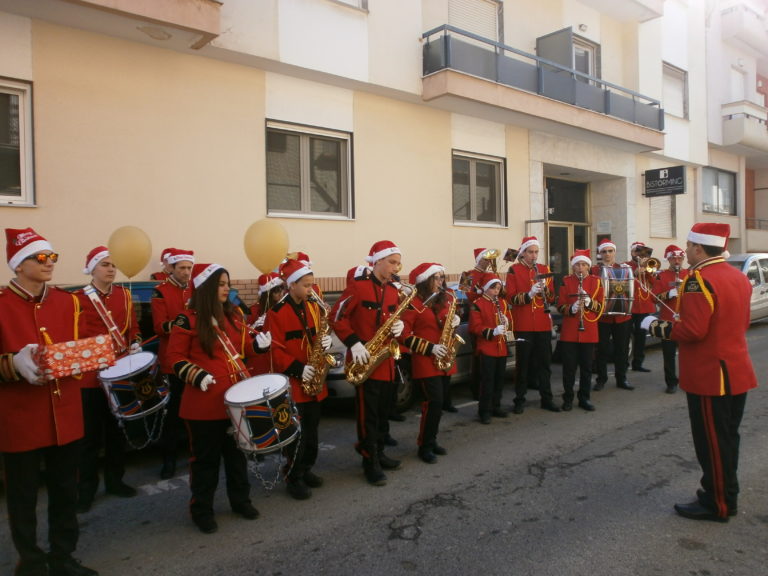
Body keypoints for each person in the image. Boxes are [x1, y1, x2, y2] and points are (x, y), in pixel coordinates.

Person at [0, 228, 98, 576]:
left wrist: (92, 355)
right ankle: (30, 561)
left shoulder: (69, 302)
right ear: (18, 265)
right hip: (21, 418)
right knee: (23, 498)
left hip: (66, 412)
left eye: (52, 257)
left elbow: (83, 345)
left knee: (64, 492)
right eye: (40, 258)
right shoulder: (1, 305)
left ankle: (62, 556)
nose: (49, 263)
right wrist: (11, 364)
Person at [643, 223, 757, 522]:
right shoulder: (737, 276)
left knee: (712, 444)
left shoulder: (699, 280)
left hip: (711, 375)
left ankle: (718, 504)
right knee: (727, 438)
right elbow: (736, 322)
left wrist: (654, 326)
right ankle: (721, 493)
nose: (687, 251)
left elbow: (693, 330)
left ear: (698, 248)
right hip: (736, 370)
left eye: (689, 245)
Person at [166, 263, 270, 534]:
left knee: (237, 457)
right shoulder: (187, 319)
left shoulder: (233, 316)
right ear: (207, 287)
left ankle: (241, 501)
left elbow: (243, 348)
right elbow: (174, 357)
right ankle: (202, 510)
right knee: (205, 462)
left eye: (227, 283)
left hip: (236, 400)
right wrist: (195, 374)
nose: (227, 289)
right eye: (221, 284)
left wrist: (258, 346)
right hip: (203, 406)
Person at [330, 240, 405, 486]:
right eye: (392, 262)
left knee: (384, 412)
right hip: (364, 360)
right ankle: (368, 460)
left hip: (386, 361)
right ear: (378, 261)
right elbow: (337, 317)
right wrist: (353, 343)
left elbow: (393, 319)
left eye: (397, 262)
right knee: (368, 415)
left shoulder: (394, 290)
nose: (396, 267)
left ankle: (380, 452)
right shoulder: (357, 287)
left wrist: (399, 328)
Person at [74, 246, 142, 513]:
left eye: (113, 264)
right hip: (90, 379)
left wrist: (135, 343)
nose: (111, 269)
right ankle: (85, 491)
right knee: (89, 439)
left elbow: (133, 328)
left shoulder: (124, 296)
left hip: (120, 377)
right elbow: (75, 338)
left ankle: (116, 481)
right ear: (92, 269)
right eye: (105, 264)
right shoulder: (78, 299)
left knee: (117, 433)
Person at [265, 258, 332, 500]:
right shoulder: (276, 313)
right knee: (296, 435)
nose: (310, 290)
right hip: (294, 382)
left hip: (314, 379)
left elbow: (320, 333)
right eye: (306, 285)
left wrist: (325, 343)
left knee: (313, 431)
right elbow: (276, 350)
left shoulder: (314, 307)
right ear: (291, 285)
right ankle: (293, 476)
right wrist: (297, 368)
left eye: (312, 285)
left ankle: (306, 469)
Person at [401, 262, 460, 464]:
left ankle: (432, 440)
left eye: (442, 277)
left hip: (444, 357)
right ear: (425, 281)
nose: (440, 281)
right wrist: (430, 348)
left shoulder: (444, 300)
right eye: (436, 277)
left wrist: (454, 323)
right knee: (432, 402)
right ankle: (424, 445)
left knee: (440, 403)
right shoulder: (414, 303)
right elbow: (404, 335)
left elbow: (444, 324)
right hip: (426, 359)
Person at [151, 248, 195, 479]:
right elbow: (159, 327)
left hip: (195, 359)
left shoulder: (195, 288)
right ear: (171, 268)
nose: (187, 272)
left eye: (189, 268)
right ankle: (168, 460)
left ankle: (193, 454)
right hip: (172, 361)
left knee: (194, 412)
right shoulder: (161, 292)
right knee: (173, 415)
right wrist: (183, 325)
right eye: (182, 268)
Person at [506, 236, 559, 414]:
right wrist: (529, 294)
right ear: (523, 253)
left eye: (536, 252)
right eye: (530, 252)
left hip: (543, 324)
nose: (534, 256)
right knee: (523, 365)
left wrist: (544, 290)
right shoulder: (514, 270)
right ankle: (519, 399)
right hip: (523, 324)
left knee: (544, 364)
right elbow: (511, 298)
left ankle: (547, 399)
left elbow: (552, 298)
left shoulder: (544, 269)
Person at [556, 249, 604, 411]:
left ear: (588, 266)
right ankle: (568, 398)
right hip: (570, 332)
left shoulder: (596, 282)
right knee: (569, 368)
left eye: (584, 264)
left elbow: (601, 308)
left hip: (589, 331)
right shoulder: (566, 281)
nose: (580, 268)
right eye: (577, 265)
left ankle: (584, 397)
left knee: (587, 368)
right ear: (573, 267)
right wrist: (572, 307)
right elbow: (560, 306)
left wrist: (590, 303)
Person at [469, 272, 513, 424]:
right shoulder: (478, 304)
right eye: (493, 288)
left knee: (499, 380)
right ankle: (484, 410)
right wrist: (492, 331)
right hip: (487, 347)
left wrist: (507, 323)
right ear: (487, 288)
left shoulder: (502, 303)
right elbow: (475, 327)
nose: (496, 291)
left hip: (501, 347)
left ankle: (496, 406)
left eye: (498, 288)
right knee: (487, 381)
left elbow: (509, 324)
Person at [592, 239, 634, 391]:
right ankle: (601, 379)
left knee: (622, 349)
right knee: (601, 349)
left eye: (610, 251)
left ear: (615, 252)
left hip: (622, 316)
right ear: (600, 254)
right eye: (604, 251)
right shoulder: (594, 270)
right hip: (602, 316)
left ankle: (621, 378)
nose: (607, 254)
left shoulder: (624, 268)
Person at [651, 245, 688, 394]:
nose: (677, 261)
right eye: (674, 258)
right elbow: (654, 299)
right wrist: (669, 294)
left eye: (680, 258)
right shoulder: (662, 276)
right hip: (667, 320)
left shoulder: (691, 274)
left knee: (688, 353)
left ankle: (688, 380)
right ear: (669, 259)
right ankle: (671, 382)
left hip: (686, 320)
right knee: (668, 354)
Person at [626, 241, 656, 373]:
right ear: (632, 252)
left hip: (644, 306)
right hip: (630, 306)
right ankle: (623, 364)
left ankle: (638, 363)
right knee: (625, 336)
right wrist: (635, 272)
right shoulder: (626, 265)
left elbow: (655, 282)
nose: (638, 254)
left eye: (641, 252)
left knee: (641, 336)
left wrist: (648, 269)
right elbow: (621, 281)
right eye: (636, 251)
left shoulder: (650, 265)